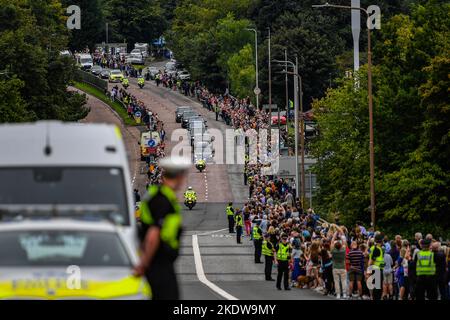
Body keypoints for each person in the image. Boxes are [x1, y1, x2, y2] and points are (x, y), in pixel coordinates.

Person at [133, 156, 190, 300]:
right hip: (158, 264)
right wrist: (144, 264)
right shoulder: (162, 200)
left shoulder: (160, 195)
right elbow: (153, 235)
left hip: (160, 263)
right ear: (179, 177)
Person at [368, 234, 385, 300]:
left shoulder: (375, 248)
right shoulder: (376, 249)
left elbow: (380, 260)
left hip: (377, 269)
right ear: (381, 240)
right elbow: (371, 260)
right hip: (376, 270)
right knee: (377, 289)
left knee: (377, 287)